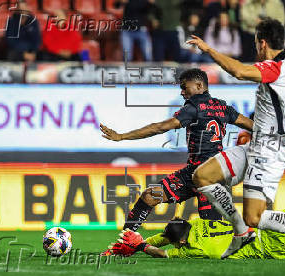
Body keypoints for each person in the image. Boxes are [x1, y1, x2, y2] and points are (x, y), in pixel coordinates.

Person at [186, 17, 285, 262]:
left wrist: (208, 49)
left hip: (268, 151)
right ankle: (241, 233)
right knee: (202, 176)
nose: (255, 48)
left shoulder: (275, 68)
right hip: (256, 144)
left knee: (254, 217)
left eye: (256, 43)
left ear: (263, 43)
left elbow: (238, 71)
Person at [99, 68, 253, 247]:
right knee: (150, 196)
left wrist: (122, 136)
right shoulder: (223, 107)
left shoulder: (193, 107)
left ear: (199, 85)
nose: (182, 92)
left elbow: (159, 127)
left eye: (184, 87)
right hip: (202, 174)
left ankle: (248, 244)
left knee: (211, 236)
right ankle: (124, 244)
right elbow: (254, 126)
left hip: (207, 176)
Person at [108, 192, 285, 260]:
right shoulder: (198, 224)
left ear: (181, 242)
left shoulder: (196, 249)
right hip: (268, 222)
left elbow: (164, 247)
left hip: (269, 246)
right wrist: (142, 241)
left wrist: (141, 245)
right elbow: (167, 234)